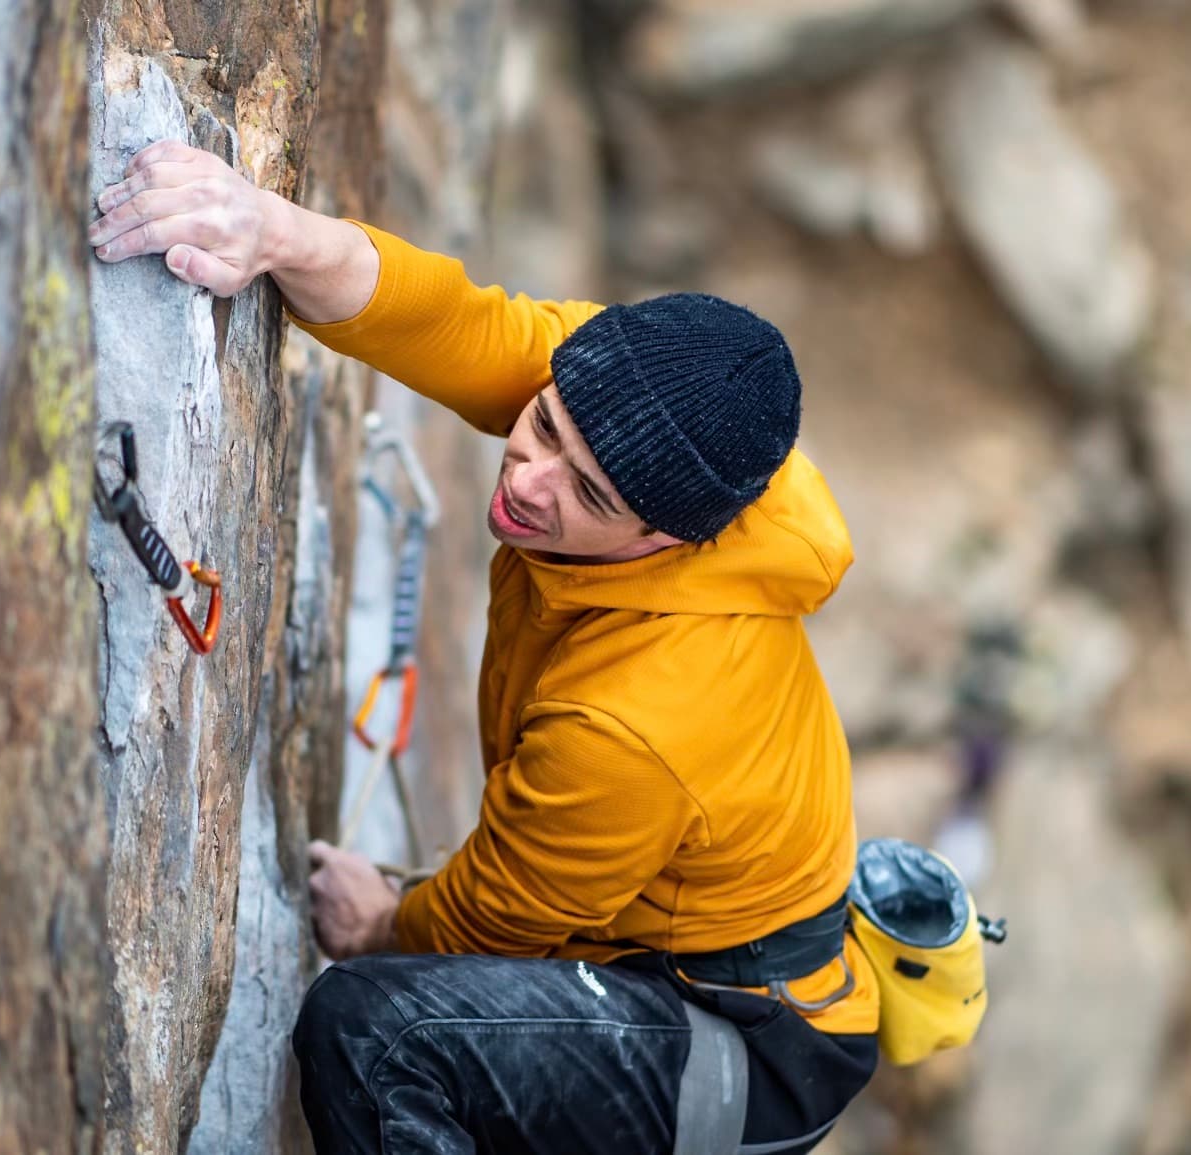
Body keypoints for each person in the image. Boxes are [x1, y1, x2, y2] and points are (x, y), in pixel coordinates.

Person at [89, 141, 878, 1154]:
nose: (529, 477)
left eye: (586, 496)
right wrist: (275, 232)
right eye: (541, 423)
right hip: (656, 952)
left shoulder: (640, 721)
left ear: (667, 543)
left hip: (746, 1047)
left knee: (374, 1030)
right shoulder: (620, 410)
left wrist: (381, 925)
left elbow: (493, 923)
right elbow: (462, 323)